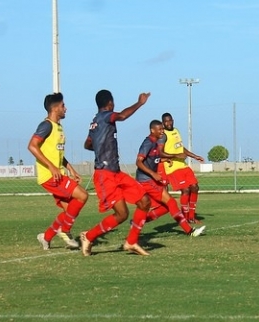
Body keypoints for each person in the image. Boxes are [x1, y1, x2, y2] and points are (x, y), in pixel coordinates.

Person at [79, 89, 152, 256]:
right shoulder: (106, 116)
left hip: (116, 173)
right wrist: (140, 103)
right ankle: (88, 236)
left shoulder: (95, 122)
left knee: (144, 201)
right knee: (122, 214)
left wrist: (102, 146)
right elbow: (122, 116)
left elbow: (87, 144)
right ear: (110, 103)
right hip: (105, 175)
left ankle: (131, 242)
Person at [27, 92, 86, 250]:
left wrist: (71, 169)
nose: (65, 108)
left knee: (69, 210)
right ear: (54, 108)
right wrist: (51, 167)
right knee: (82, 195)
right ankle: (65, 231)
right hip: (50, 176)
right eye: (63, 105)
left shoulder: (58, 127)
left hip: (58, 174)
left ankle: (46, 237)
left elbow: (57, 154)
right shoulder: (46, 125)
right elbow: (32, 146)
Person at [135, 119, 206, 237]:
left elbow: (153, 158)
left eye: (162, 129)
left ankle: (138, 222)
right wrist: (153, 174)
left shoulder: (155, 143)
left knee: (165, 207)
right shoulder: (148, 143)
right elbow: (138, 162)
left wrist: (165, 159)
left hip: (150, 180)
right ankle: (189, 231)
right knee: (171, 202)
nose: (162, 131)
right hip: (145, 180)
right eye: (159, 129)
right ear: (152, 130)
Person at [159, 112, 205, 223]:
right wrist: (176, 156)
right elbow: (160, 152)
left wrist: (195, 156)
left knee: (195, 187)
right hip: (172, 168)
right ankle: (185, 217)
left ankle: (191, 217)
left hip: (183, 165)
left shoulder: (176, 131)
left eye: (170, 120)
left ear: (173, 120)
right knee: (185, 190)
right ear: (163, 123)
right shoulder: (163, 135)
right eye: (166, 121)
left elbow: (181, 148)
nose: (169, 123)